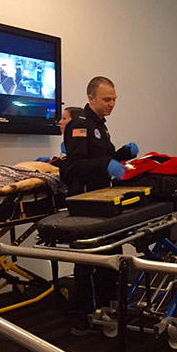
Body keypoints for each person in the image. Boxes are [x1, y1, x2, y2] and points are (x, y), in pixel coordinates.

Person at [61, 76, 140, 335]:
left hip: (102, 199)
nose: (112, 104)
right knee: (89, 262)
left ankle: (107, 306)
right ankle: (81, 317)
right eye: (107, 99)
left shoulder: (101, 127)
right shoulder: (79, 126)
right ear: (91, 98)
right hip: (85, 202)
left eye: (115, 99)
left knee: (109, 256)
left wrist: (122, 155)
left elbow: (103, 158)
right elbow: (73, 167)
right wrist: (106, 164)